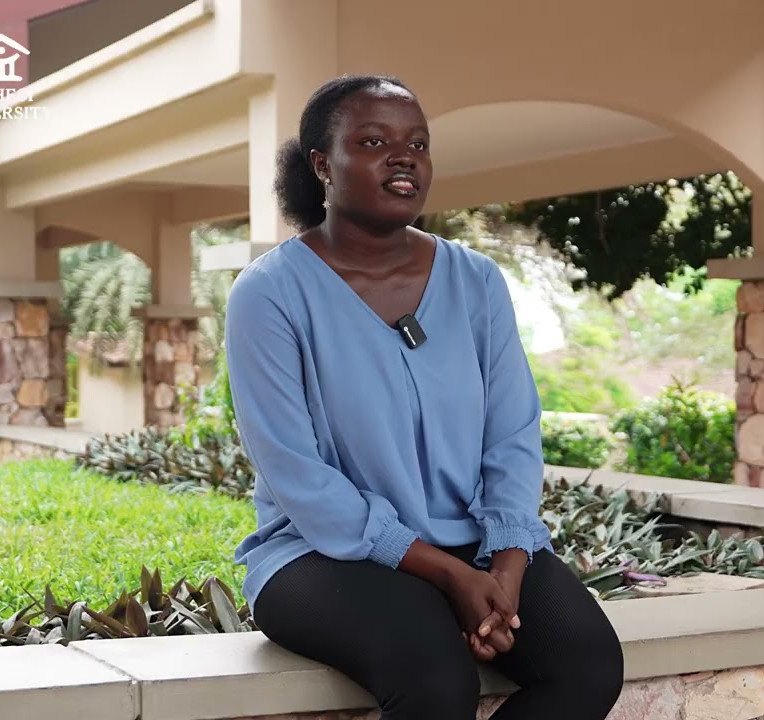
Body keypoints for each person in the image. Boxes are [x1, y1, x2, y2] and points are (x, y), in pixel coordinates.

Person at [223, 74, 625, 719]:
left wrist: (507, 566)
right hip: (321, 552)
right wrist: (448, 574)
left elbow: (512, 435)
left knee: (588, 665)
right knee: (435, 682)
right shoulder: (269, 294)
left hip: (476, 540)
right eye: (374, 142)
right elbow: (295, 471)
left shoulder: (476, 280)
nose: (403, 157)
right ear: (322, 165)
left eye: (418, 144)